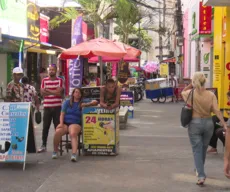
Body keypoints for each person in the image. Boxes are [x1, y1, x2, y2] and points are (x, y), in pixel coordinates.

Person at [181, 72, 228, 185]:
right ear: (204, 81)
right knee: (203, 148)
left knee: (197, 149)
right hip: (208, 123)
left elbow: (182, 92)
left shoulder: (190, 93)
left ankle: (201, 175)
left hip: (194, 123)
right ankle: (199, 168)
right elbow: (216, 110)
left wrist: (191, 85)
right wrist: (224, 124)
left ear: (194, 82)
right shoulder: (211, 95)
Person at [52, 88, 97, 162]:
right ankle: (55, 151)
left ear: (81, 94)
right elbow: (62, 114)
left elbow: (95, 102)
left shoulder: (83, 101)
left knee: (73, 133)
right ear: (73, 93)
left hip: (76, 123)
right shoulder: (67, 102)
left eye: (79, 93)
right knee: (58, 132)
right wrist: (61, 123)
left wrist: (86, 104)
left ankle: (73, 154)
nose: (77, 94)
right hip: (66, 122)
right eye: (76, 92)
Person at [38, 64, 64, 153]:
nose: (51, 71)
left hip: (57, 107)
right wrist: (54, 92)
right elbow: (42, 93)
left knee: (58, 127)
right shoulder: (44, 80)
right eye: (50, 70)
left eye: (53, 70)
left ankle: (58, 145)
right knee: (45, 127)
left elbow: (59, 92)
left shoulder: (60, 80)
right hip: (47, 107)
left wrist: (48, 90)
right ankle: (43, 145)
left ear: (56, 70)